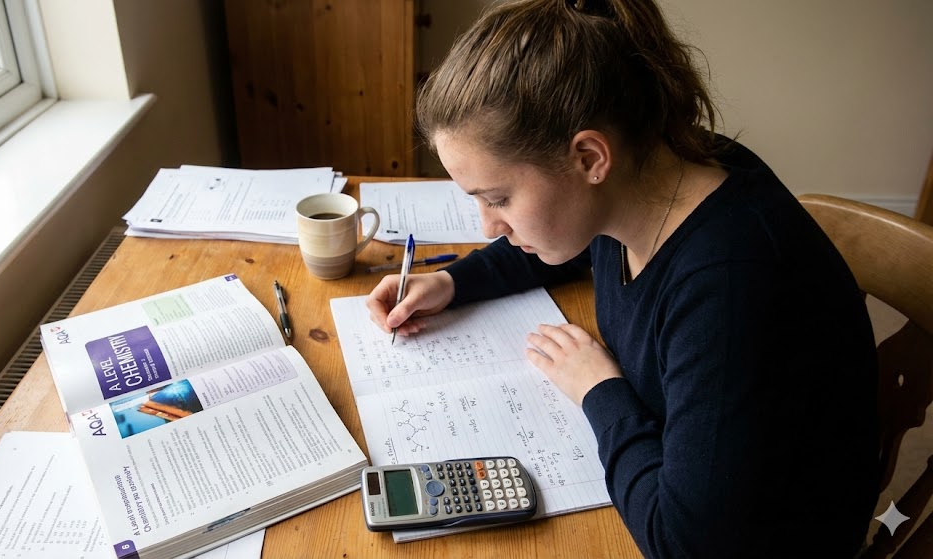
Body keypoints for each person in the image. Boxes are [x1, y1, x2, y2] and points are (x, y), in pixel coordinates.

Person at [364, 0, 879, 557]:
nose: (490, 226)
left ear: (589, 157)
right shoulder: (646, 173)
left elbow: (682, 545)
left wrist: (598, 390)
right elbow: (561, 241)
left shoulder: (731, 288)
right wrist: (453, 282)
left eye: (499, 199)